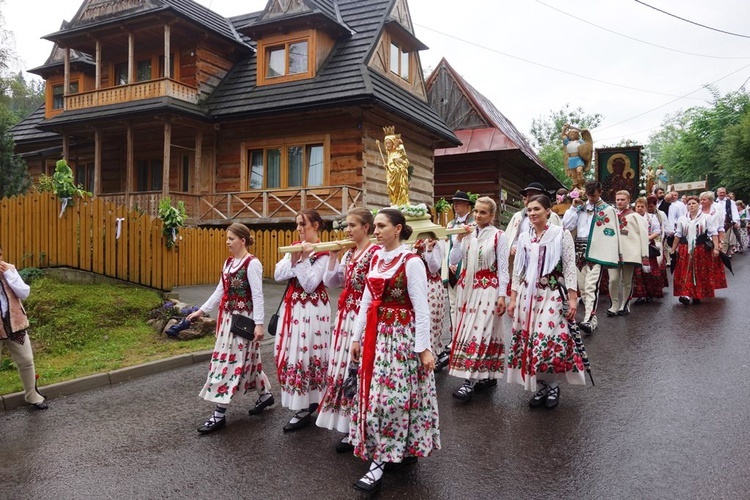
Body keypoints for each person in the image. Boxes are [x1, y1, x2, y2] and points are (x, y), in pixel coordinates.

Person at [349, 208, 440, 494]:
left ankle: (381, 461)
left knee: (395, 400)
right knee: (376, 398)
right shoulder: (376, 257)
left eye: (381, 226)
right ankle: (385, 454)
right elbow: (366, 301)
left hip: (401, 337)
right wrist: (356, 336)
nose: (375, 231)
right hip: (377, 336)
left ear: (398, 228)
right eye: (374, 226)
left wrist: (423, 348)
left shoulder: (412, 261)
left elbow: (422, 308)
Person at [187, 223, 272, 433]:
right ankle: (266, 395)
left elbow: (258, 295)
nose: (227, 242)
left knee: (229, 362)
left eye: (231, 238)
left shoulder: (252, 264)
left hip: (243, 320)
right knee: (249, 360)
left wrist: (259, 324)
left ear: (242, 240)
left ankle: (219, 413)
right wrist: (201, 311)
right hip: (227, 319)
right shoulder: (228, 264)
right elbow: (219, 291)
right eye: (227, 238)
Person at [507, 194, 584, 409]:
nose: (532, 213)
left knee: (546, 342)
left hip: (550, 294)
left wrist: (572, 298)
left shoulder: (561, 235)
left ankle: (553, 386)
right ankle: (543, 385)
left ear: (548, 211)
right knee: (529, 343)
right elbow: (517, 270)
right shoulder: (524, 237)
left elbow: (569, 267)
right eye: (529, 210)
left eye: (537, 209)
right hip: (526, 296)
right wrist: (512, 299)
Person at [317, 208, 379, 451]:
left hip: (362, 318)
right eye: (346, 225)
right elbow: (331, 282)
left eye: (352, 225)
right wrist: (333, 257)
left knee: (358, 369)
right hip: (345, 316)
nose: (347, 229)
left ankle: (359, 426)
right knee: (343, 368)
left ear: (366, 227)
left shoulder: (374, 253)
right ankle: (346, 424)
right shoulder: (350, 253)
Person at [274, 209, 331, 432]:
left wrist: (303, 259)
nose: (298, 229)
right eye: (297, 224)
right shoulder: (294, 248)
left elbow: (310, 284)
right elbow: (278, 274)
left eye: (302, 224)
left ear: (315, 226)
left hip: (313, 310)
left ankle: (310, 403)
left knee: (309, 353)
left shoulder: (324, 253)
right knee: (293, 353)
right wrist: (297, 258)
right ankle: (302, 402)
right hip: (294, 309)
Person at [448, 196, 509, 402]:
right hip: (468, 289)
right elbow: (453, 260)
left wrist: (502, 295)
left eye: (483, 212)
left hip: (488, 289)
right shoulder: (466, 234)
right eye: (476, 211)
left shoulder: (499, 236)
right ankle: (487, 375)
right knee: (470, 331)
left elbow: (503, 268)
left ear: (492, 215)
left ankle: (469, 381)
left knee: (482, 332)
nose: (478, 215)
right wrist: (457, 241)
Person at [562, 181, 620, 334]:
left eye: (593, 195)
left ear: (600, 192)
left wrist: (612, 253)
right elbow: (566, 226)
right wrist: (573, 207)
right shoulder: (579, 208)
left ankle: (588, 318)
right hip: (580, 249)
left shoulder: (608, 210)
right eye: (588, 195)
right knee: (582, 287)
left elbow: (612, 234)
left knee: (591, 286)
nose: (591, 198)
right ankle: (592, 318)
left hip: (597, 250)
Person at [0, 245, 48, 410]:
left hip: (15, 324)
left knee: (26, 360)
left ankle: (33, 396)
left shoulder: (9, 269)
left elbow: (24, 293)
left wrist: (8, 275)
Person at [436, 190, 475, 371]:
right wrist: (449, 263)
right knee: (452, 305)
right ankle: (455, 338)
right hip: (451, 270)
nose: (456, 205)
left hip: (466, 269)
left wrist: (459, 263)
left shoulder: (473, 223)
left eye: (459, 203)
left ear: (468, 205)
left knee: (466, 306)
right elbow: (448, 245)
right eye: (455, 202)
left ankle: (466, 338)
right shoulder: (451, 223)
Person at [505, 182, 562, 295]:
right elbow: (511, 237)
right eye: (528, 194)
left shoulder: (552, 217)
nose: (529, 197)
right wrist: (512, 246)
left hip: (543, 263)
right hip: (522, 261)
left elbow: (557, 241)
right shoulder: (518, 216)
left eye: (533, 194)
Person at [671, 196, 723, 305]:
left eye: (694, 203)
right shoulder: (682, 219)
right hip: (685, 249)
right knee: (686, 271)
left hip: (701, 249)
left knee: (699, 271)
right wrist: (673, 249)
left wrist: (716, 248)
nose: (691, 205)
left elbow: (713, 233)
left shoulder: (706, 217)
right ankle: (685, 294)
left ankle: (697, 294)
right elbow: (678, 235)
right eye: (689, 204)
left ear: (699, 205)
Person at [607, 190, 650, 317]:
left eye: (622, 199)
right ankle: (614, 305)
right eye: (618, 199)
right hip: (613, 252)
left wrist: (644, 255)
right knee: (613, 280)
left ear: (628, 200)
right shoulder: (611, 215)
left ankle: (625, 305)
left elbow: (643, 236)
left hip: (629, 252)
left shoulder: (636, 216)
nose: (619, 202)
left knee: (627, 281)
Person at [413, 233, 446, 363]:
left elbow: (434, 268)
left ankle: (431, 356)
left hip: (429, 285)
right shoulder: (407, 239)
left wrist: (429, 249)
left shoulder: (434, 240)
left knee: (430, 322)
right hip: (413, 284)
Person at [632, 196, 665, 304]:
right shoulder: (631, 217)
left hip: (648, 245)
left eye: (642, 206)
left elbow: (657, 231)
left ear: (646, 207)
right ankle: (640, 294)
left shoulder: (651, 217)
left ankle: (650, 293)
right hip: (635, 246)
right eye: (638, 206)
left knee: (649, 270)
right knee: (637, 271)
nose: (640, 208)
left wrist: (647, 238)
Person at [714, 187, 741, 256]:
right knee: (716, 239)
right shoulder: (714, 202)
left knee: (725, 240)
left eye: (724, 192)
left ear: (726, 193)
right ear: (717, 193)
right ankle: (718, 252)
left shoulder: (730, 202)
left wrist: (736, 221)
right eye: (720, 192)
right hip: (715, 224)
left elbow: (734, 212)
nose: (722, 194)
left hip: (727, 223)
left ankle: (723, 255)